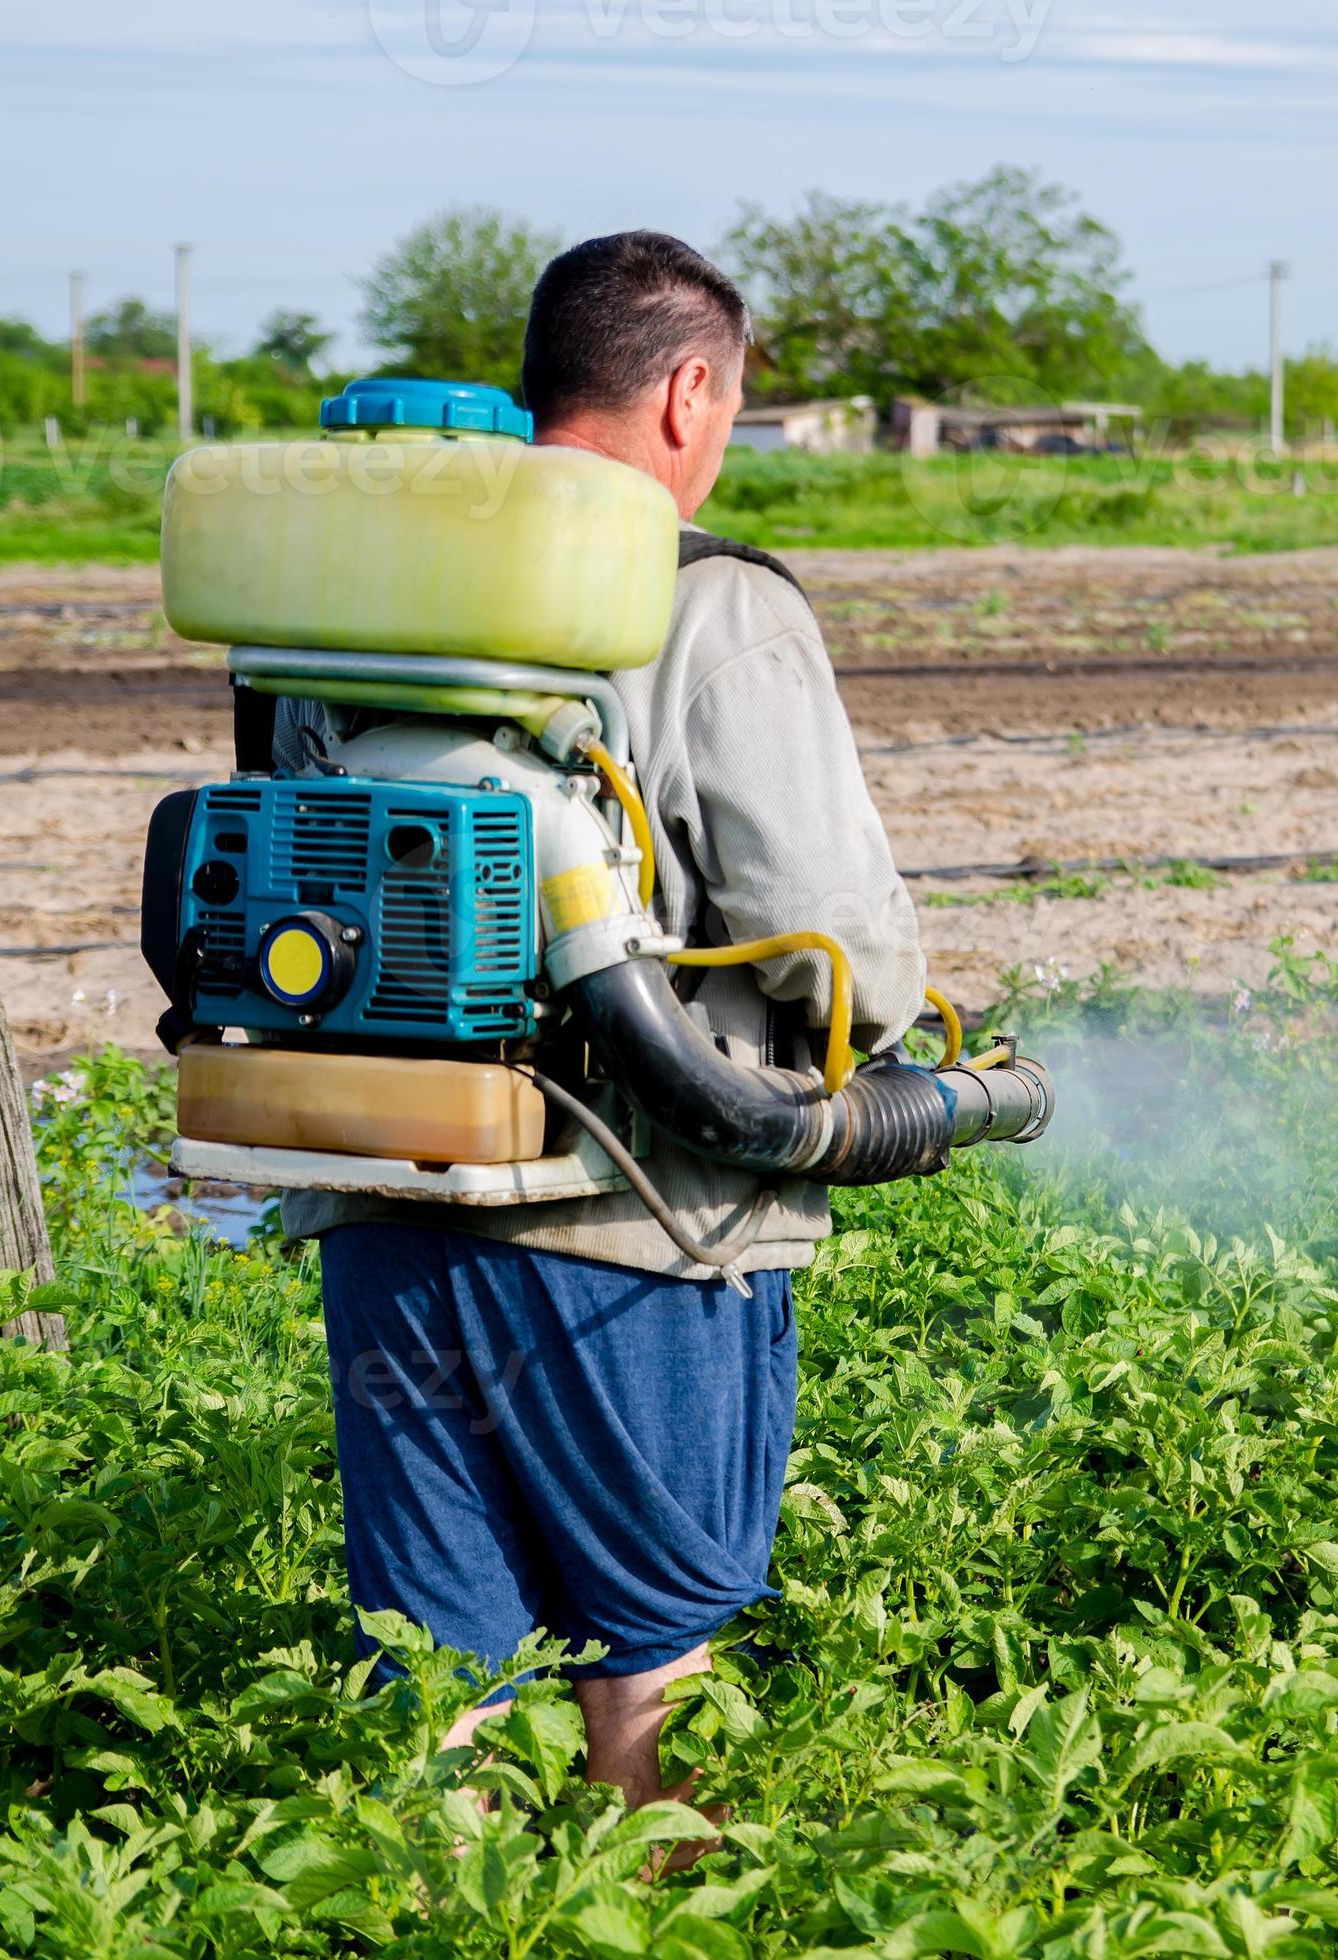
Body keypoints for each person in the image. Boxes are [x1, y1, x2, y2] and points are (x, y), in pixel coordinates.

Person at [281, 232, 926, 1808]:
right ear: (690, 389)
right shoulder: (708, 603)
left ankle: (431, 1921)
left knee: (438, 1664)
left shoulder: (361, 594)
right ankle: (660, 1913)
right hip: (634, 1222)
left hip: (386, 1199)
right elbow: (839, 944)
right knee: (655, 1644)